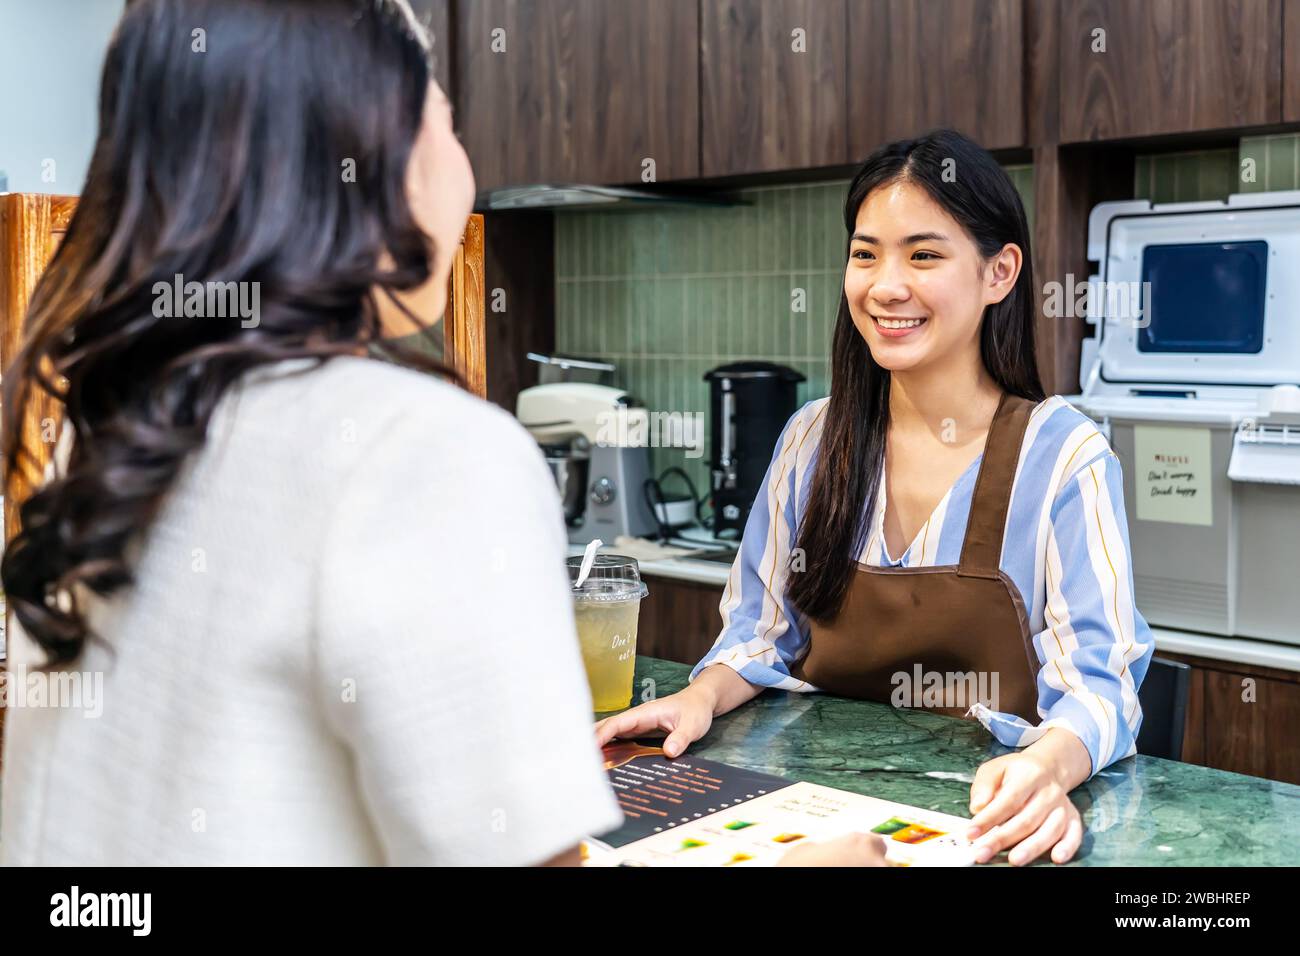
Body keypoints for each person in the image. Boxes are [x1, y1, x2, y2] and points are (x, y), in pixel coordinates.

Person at [0, 0, 884, 868]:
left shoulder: (113, 433)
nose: (464, 167)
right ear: (377, 157)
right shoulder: (419, 451)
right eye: (446, 121)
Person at [597, 129, 1155, 867]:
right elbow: (764, 635)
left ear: (1000, 272)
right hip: (820, 824)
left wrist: (1047, 768)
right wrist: (700, 695)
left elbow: (1100, 688)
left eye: (923, 255)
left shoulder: (1063, 456)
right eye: (865, 254)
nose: (885, 285)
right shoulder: (811, 439)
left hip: (981, 826)